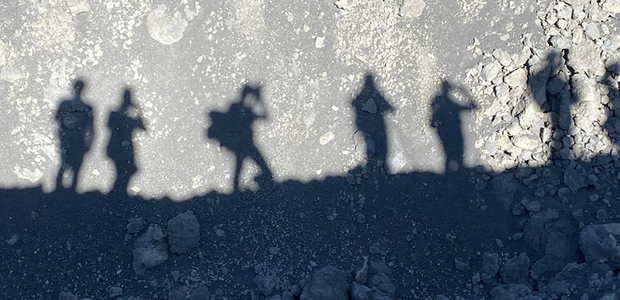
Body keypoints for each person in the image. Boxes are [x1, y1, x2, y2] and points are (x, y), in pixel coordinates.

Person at [207, 85, 273, 191]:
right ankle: (240, 193)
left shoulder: (244, 110)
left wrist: (259, 99)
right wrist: (259, 99)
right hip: (243, 145)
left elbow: (265, 116)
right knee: (255, 171)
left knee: (240, 171)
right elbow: (264, 116)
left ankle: (239, 192)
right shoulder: (236, 108)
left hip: (244, 146)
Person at [55, 80, 94, 191]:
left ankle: (59, 188)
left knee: (64, 162)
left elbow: (57, 119)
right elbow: (90, 128)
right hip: (78, 139)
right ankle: (72, 189)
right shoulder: (87, 107)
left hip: (67, 137)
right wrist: (89, 143)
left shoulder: (65, 104)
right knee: (76, 164)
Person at [430, 81, 476, 172]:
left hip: (443, 132)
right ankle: (456, 173)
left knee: (448, 153)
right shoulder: (454, 105)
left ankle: (449, 174)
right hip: (456, 130)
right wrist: (463, 91)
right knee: (459, 152)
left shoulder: (438, 101)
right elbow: (473, 106)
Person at [106, 89, 145, 193]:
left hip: (122, 147)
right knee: (124, 170)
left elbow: (142, 127)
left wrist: (137, 110)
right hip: (119, 147)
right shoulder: (116, 114)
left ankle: (118, 192)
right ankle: (118, 193)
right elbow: (110, 126)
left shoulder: (119, 114)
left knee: (126, 170)